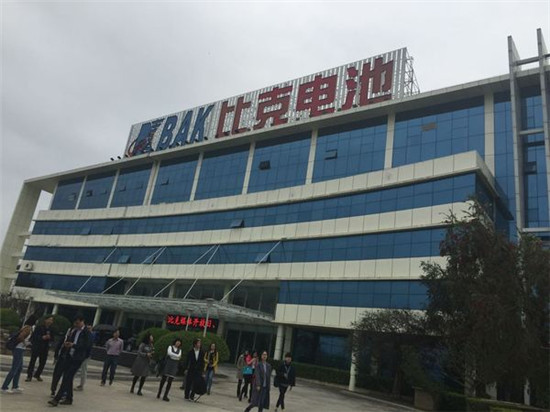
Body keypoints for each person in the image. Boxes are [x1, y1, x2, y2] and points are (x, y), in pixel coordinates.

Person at [48, 314, 92, 406]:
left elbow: (86, 346)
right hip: (69, 356)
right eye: (75, 323)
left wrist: (74, 346)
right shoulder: (74, 331)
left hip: (78, 358)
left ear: (82, 321)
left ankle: (57, 399)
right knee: (68, 377)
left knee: (67, 377)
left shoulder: (86, 333)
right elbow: (70, 340)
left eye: (78, 323)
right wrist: (67, 345)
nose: (76, 325)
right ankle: (69, 398)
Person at [1, 324, 32, 394]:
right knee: (14, 368)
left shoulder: (27, 328)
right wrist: (25, 343)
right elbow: (20, 337)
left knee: (19, 368)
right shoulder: (27, 329)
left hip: (20, 349)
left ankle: (15, 386)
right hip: (18, 349)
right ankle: (4, 387)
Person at [26, 316, 54, 382]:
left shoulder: (51, 329)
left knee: (42, 362)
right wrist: (42, 337)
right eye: (49, 319)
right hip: (37, 346)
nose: (50, 321)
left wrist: (50, 338)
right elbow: (34, 336)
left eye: (51, 320)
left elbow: (53, 338)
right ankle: (29, 375)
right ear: (45, 320)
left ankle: (37, 374)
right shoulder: (39, 327)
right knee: (32, 361)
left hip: (45, 347)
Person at [50, 327, 73, 397]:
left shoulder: (75, 340)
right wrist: (56, 357)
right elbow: (58, 347)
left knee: (66, 377)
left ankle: (64, 391)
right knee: (57, 375)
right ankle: (53, 390)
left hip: (69, 360)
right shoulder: (64, 338)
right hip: (62, 358)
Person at [74, 325, 94, 391]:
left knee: (83, 370)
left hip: (86, 356)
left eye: (89, 328)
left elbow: (88, 347)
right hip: (81, 354)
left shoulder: (90, 336)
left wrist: (87, 355)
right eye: (87, 328)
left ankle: (81, 385)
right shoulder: (84, 334)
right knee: (76, 369)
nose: (88, 329)